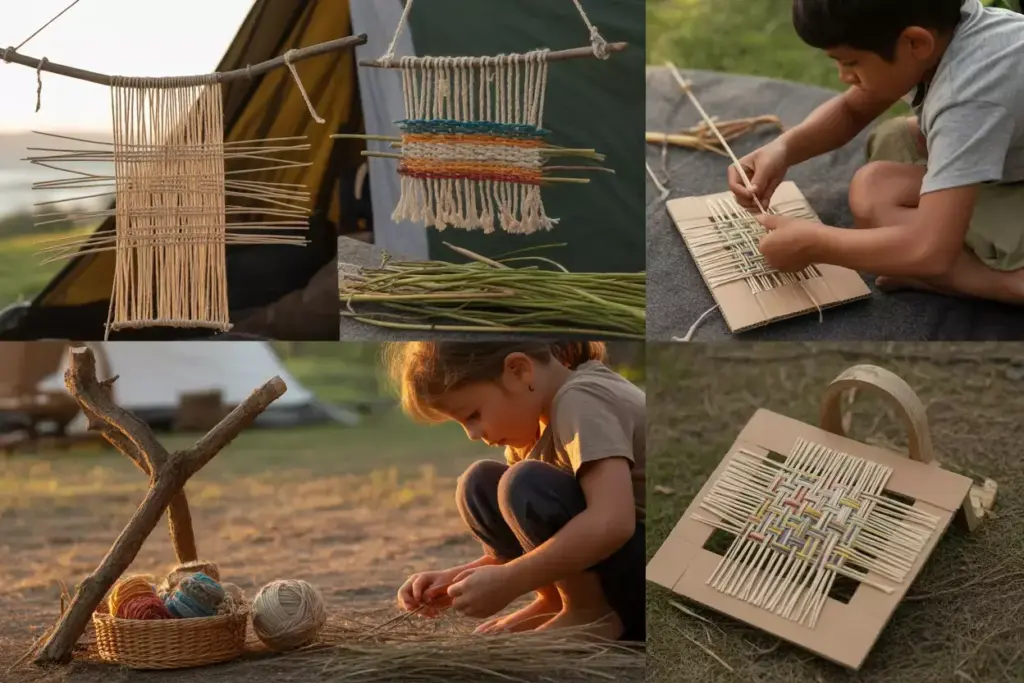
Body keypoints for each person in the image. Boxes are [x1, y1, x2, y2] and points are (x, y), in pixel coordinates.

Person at [729, 0, 1024, 305]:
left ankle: (992, 282)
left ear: (915, 42)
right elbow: (852, 110)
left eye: (851, 62)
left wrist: (816, 244)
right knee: (882, 166)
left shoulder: (966, 99)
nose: (843, 76)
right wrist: (783, 149)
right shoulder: (946, 28)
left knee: (920, 245)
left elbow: (930, 251)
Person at [387, 341, 645, 641]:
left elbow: (612, 521)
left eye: (473, 415)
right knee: (480, 482)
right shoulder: (534, 424)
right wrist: (455, 582)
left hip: (648, 574)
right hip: (614, 567)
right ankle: (555, 602)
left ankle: (590, 613)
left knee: (523, 483)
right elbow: (535, 543)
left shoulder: (582, 401)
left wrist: (510, 581)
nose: (473, 434)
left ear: (519, 371)